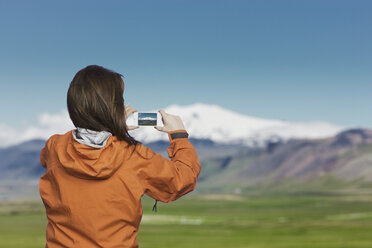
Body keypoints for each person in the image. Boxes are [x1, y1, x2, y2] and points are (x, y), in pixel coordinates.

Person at [39, 65, 201, 248]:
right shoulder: (133, 157)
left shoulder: (54, 148)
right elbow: (182, 179)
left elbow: (84, 149)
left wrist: (112, 128)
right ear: (113, 108)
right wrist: (179, 135)